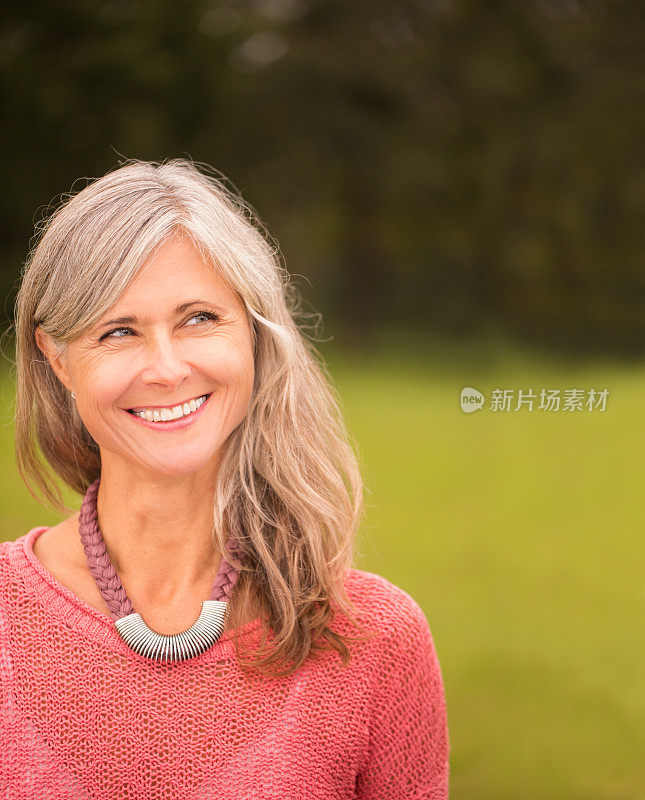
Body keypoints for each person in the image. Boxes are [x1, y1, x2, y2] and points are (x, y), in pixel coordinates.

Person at [1, 158, 450, 798]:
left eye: (199, 318)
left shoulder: (374, 638)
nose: (166, 368)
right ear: (58, 358)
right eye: (119, 330)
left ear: (255, 335)